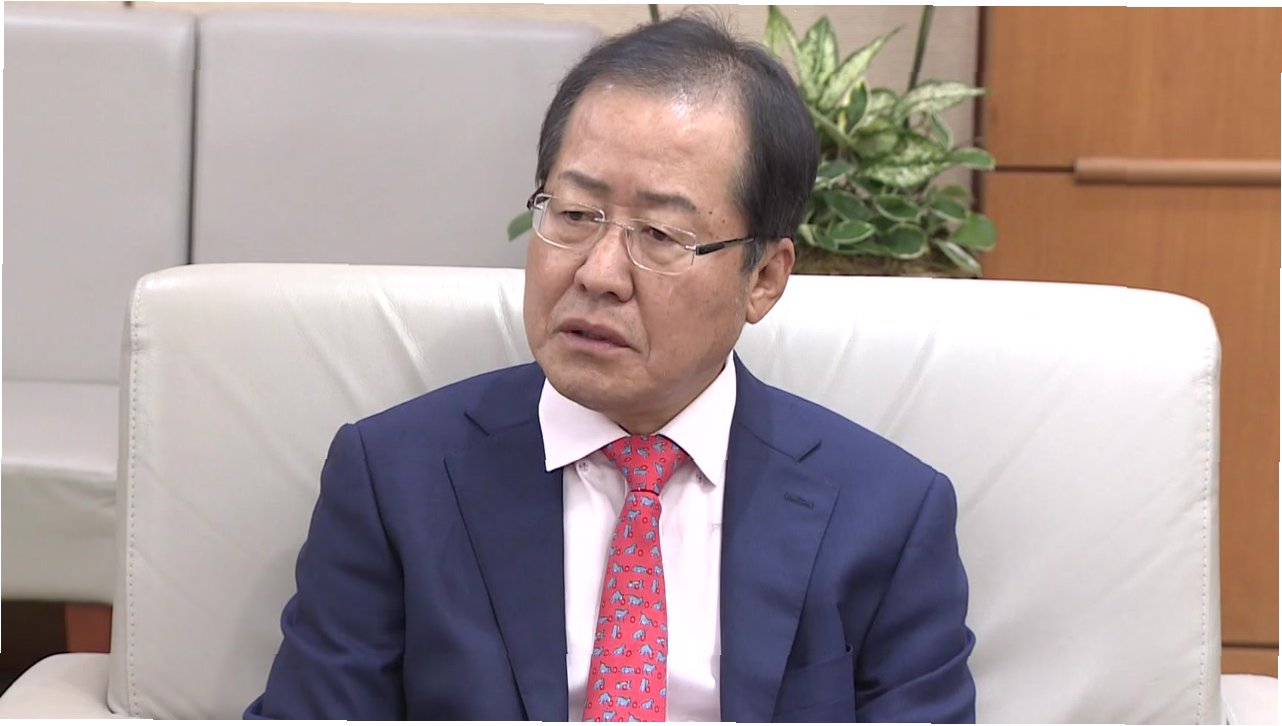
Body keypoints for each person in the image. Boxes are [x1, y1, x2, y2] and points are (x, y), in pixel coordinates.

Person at [246, 13, 974, 723]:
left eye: (660, 234)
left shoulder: (888, 517)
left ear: (764, 278)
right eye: (573, 215)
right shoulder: (393, 481)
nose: (597, 274)